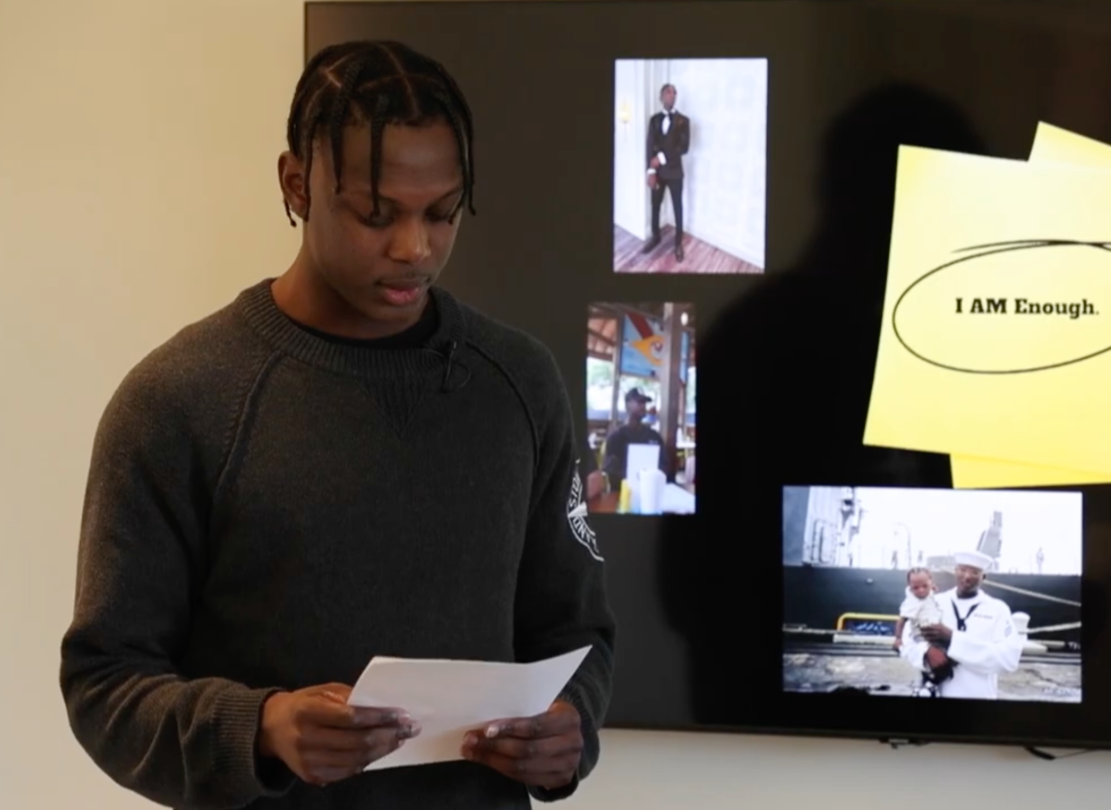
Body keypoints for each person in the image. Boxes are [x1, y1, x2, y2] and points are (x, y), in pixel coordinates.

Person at [58, 39, 616, 809]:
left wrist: (569, 730)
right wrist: (261, 727)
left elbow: (577, 631)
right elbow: (104, 684)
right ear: (296, 183)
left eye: (442, 213)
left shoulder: (519, 383)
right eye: (375, 214)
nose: (415, 248)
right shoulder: (179, 399)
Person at [898, 550, 1025, 700]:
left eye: (975, 572)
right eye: (963, 570)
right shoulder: (935, 602)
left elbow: (1009, 659)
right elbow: (907, 640)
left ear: (983, 577)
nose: (967, 576)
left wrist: (952, 640)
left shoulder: (998, 609)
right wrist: (926, 653)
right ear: (955, 571)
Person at [587, 388, 670, 501]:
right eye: (639, 402)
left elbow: (664, 464)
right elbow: (610, 472)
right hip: (622, 495)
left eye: (644, 403)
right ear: (627, 405)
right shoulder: (616, 437)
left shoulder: (654, 436)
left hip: (652, 492)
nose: (643, 406)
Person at [643, 83, 691, 262]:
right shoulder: (654, 120)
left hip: (675, 173)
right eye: (668, 92)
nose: (672, 95)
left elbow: (683, 147)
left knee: (678, 207)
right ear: (661, 97)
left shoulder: (683, 121)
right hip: (657, 173)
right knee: (655, 205)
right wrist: (650, 171)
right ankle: (656, 237)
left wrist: (661, 158)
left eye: (674, 93)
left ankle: (678, 243)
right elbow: (650, 145)